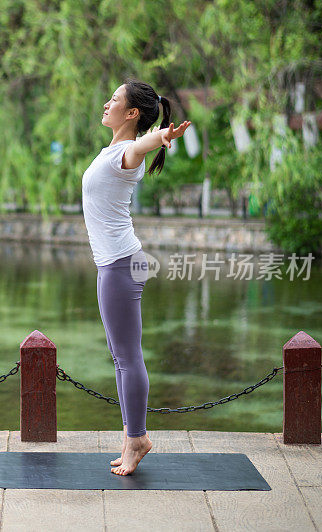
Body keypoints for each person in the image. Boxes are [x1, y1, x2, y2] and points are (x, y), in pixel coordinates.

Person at [81, 79, 191, 475]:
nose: (106, 103)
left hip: (121, 266)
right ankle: (132, 435)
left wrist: (162, 135)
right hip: (114, 264)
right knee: (120, 356)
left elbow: (140, 145)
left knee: (128, 357)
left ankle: (137, 439)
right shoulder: (110, 151)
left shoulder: (125, 153)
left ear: (131, 114)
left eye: (114, 99)